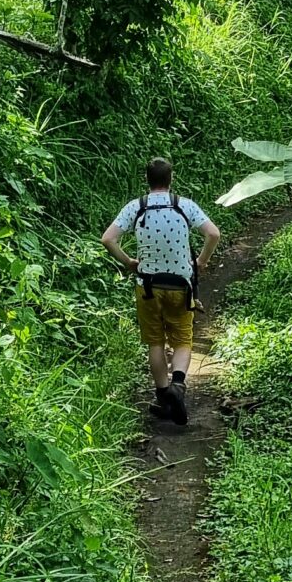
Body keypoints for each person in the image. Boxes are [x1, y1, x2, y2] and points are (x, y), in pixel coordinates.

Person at [102, 158, 221, 425]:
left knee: (155, 342)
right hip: (181, 285)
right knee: (182, 339)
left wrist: (128, 262)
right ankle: (178, 386)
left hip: (148, 286)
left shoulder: (137, 206)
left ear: (147, 180)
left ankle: (162, 396)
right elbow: (213, 234)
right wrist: (200, 261)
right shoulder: (184, 205)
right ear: (171, 179)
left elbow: (108, 239)